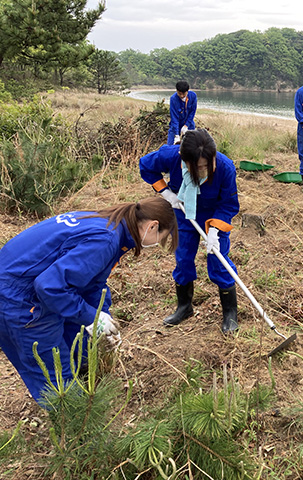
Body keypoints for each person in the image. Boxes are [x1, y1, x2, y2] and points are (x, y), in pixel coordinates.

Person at [0, 197, 178, 405]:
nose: (157, 244)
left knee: (75, 342)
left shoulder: (108, 223)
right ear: (152, 225)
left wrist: (103, 319)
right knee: (57, 378)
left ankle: (82, 399)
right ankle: (77, 429)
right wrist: (91, 317)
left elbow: (92, 282)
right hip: (20, 299)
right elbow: (49, 286)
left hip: (21, 283)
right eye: (161, 238)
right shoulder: (105, 239)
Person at [140, 128, 241, 333]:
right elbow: (145, 166)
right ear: (184, 160)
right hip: (184, 212)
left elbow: (229, 204)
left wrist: (214, 231)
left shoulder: (225, 167)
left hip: (214, 215)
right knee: (183, 257)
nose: (203, 169)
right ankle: (184, 307)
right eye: (197, 166)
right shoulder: (170, 156)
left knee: (218, 261)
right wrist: (166, 192)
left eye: (207, 164)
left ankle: (230, 314)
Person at [167, 81, 198, 146]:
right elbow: (174, 117)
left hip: (189, 125)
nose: (181, 96)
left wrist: (186, 125)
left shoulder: (193, 96)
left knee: (192, 146)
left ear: (187, 91)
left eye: (183, 94)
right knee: (170, 147)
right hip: (175, 126)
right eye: (179, 93)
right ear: (177, 91)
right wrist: (176, 135)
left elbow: (192, 112)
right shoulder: (173, 99)